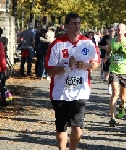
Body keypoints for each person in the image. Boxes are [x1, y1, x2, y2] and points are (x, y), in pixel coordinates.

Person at [45, 12, 100, 150]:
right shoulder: (57, 44)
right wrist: (66, 66)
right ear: (66, 26)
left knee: (77, 125)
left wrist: (86, 65)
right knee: (61, 125)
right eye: (74, 23)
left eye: (78, 23)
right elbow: (50, 71)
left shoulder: (88, 43)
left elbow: (96, 63)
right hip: (60, 92)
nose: (77, 26)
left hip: (80, 91)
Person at [106, 23, 126, 127]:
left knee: (123, 97)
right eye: (117, 29)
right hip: (114, 70)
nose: (118, 31)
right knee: (115, 93)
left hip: (125, 71)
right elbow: (108, 52)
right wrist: (106, 57)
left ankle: (122, 106)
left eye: (120, 29)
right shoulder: (112, 41)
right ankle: (112, 118)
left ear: (124, 31)